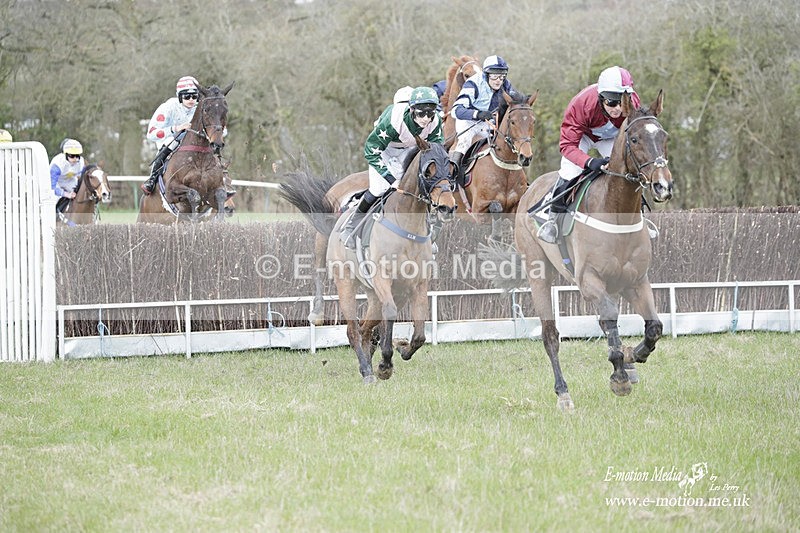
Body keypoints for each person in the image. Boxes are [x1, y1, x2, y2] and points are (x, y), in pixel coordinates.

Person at [536, 66, 642, 244]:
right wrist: (589, 161)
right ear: (601, 98)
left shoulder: (634, 103)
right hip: (583, 137)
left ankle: (640, 216)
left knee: (631, 167)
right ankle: (552, 220)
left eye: (622, 102)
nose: (617, 108)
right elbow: (567, 145)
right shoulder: (581, 104)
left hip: (612, 137)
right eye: (612, 103)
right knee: (570, 171)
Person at [341, 86, 444, 246]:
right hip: (383, 150)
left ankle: (426, 230)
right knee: (379, 189)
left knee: (420, 188)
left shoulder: (435, 121)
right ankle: (351, 226)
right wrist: (391, 179)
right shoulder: (393, 121)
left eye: (430, 113)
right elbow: (371, 150)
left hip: (409, 149)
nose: (425, 118)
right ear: (411, 109)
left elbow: (436, 151)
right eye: (421, 113)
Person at [448, 55, 519, 183]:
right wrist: (477, 114)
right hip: (468, 121)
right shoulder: (473, 84)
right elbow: (456, 110)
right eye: (494, 76)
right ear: (486, 74)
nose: (498, 81)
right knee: (464, 141)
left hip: (488, 123)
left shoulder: (506, 85)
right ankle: (451, 177)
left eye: (502, 76)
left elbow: (516, 100)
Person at [140, 75, 200, 195]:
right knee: (171, 143)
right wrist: (176, 128)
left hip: (194, 141)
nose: (191, 99)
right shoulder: (168, 107)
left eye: (194, 96)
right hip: (171, 139)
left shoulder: (200, 108)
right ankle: (152, 179)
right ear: (179, 96)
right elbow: (151, 134)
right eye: (187, 96)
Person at [50, 138, 85, 211]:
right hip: (57, 183)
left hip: (70, 181)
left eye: (77, 156)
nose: (75, 159)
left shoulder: (81, 162)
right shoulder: (57, 164)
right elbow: (52, 187)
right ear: (65, 154)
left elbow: (80, 178)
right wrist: (66, 194)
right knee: (53, 199)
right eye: (72, 156)